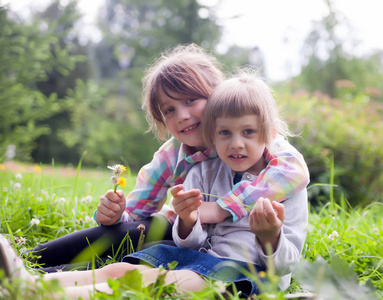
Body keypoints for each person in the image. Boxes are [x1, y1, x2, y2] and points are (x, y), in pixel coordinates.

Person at [0, 71, 308, 298]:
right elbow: (191, 241)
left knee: (157, 283)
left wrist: (270, 237)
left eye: (249, 133)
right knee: (121, 271)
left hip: (247, 275)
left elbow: (283, 266)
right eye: (225, 133)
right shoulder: (202, 169)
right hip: (203, 259)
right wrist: (187, 221)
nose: (235, 143)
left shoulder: (282, 177)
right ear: (214, 133)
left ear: (268, 132)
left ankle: (41, 293)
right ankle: (28, 282)